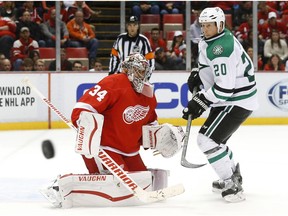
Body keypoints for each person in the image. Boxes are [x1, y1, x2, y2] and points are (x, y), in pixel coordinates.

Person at [40, 53, 184, 208]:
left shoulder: (148, 94)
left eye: (143, 71)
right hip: (103, 147)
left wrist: (160, 137)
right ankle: (59, 187)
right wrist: (86, 126)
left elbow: (148, 127)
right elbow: (83, 108)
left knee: (144, 182)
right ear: (128, 71)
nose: (141, 75)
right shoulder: (114, 82)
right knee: (117, 186)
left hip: (129, 151)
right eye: (138, 70)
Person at [182, 7, 258, 203]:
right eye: (203, 25)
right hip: (233, 99)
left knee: (206, 140)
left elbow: (225, 88)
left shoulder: (221, 48)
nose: (205, 29)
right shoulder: (214, 40)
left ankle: (232, 184)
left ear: (220, 24)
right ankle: (233, 174)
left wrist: (201, 101)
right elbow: (214, 70)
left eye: (209, 25)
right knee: (216, 141)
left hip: (235, 100)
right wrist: (200, 74)